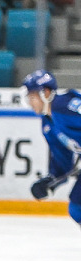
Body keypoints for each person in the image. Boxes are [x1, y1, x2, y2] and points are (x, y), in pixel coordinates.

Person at [25, 70, 81, 229]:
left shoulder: (66, 105)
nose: (30, 102)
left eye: (32, 96)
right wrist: (50, 182)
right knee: (77, 207)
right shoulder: (48, 125)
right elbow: (63, 162)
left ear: (46, 93)